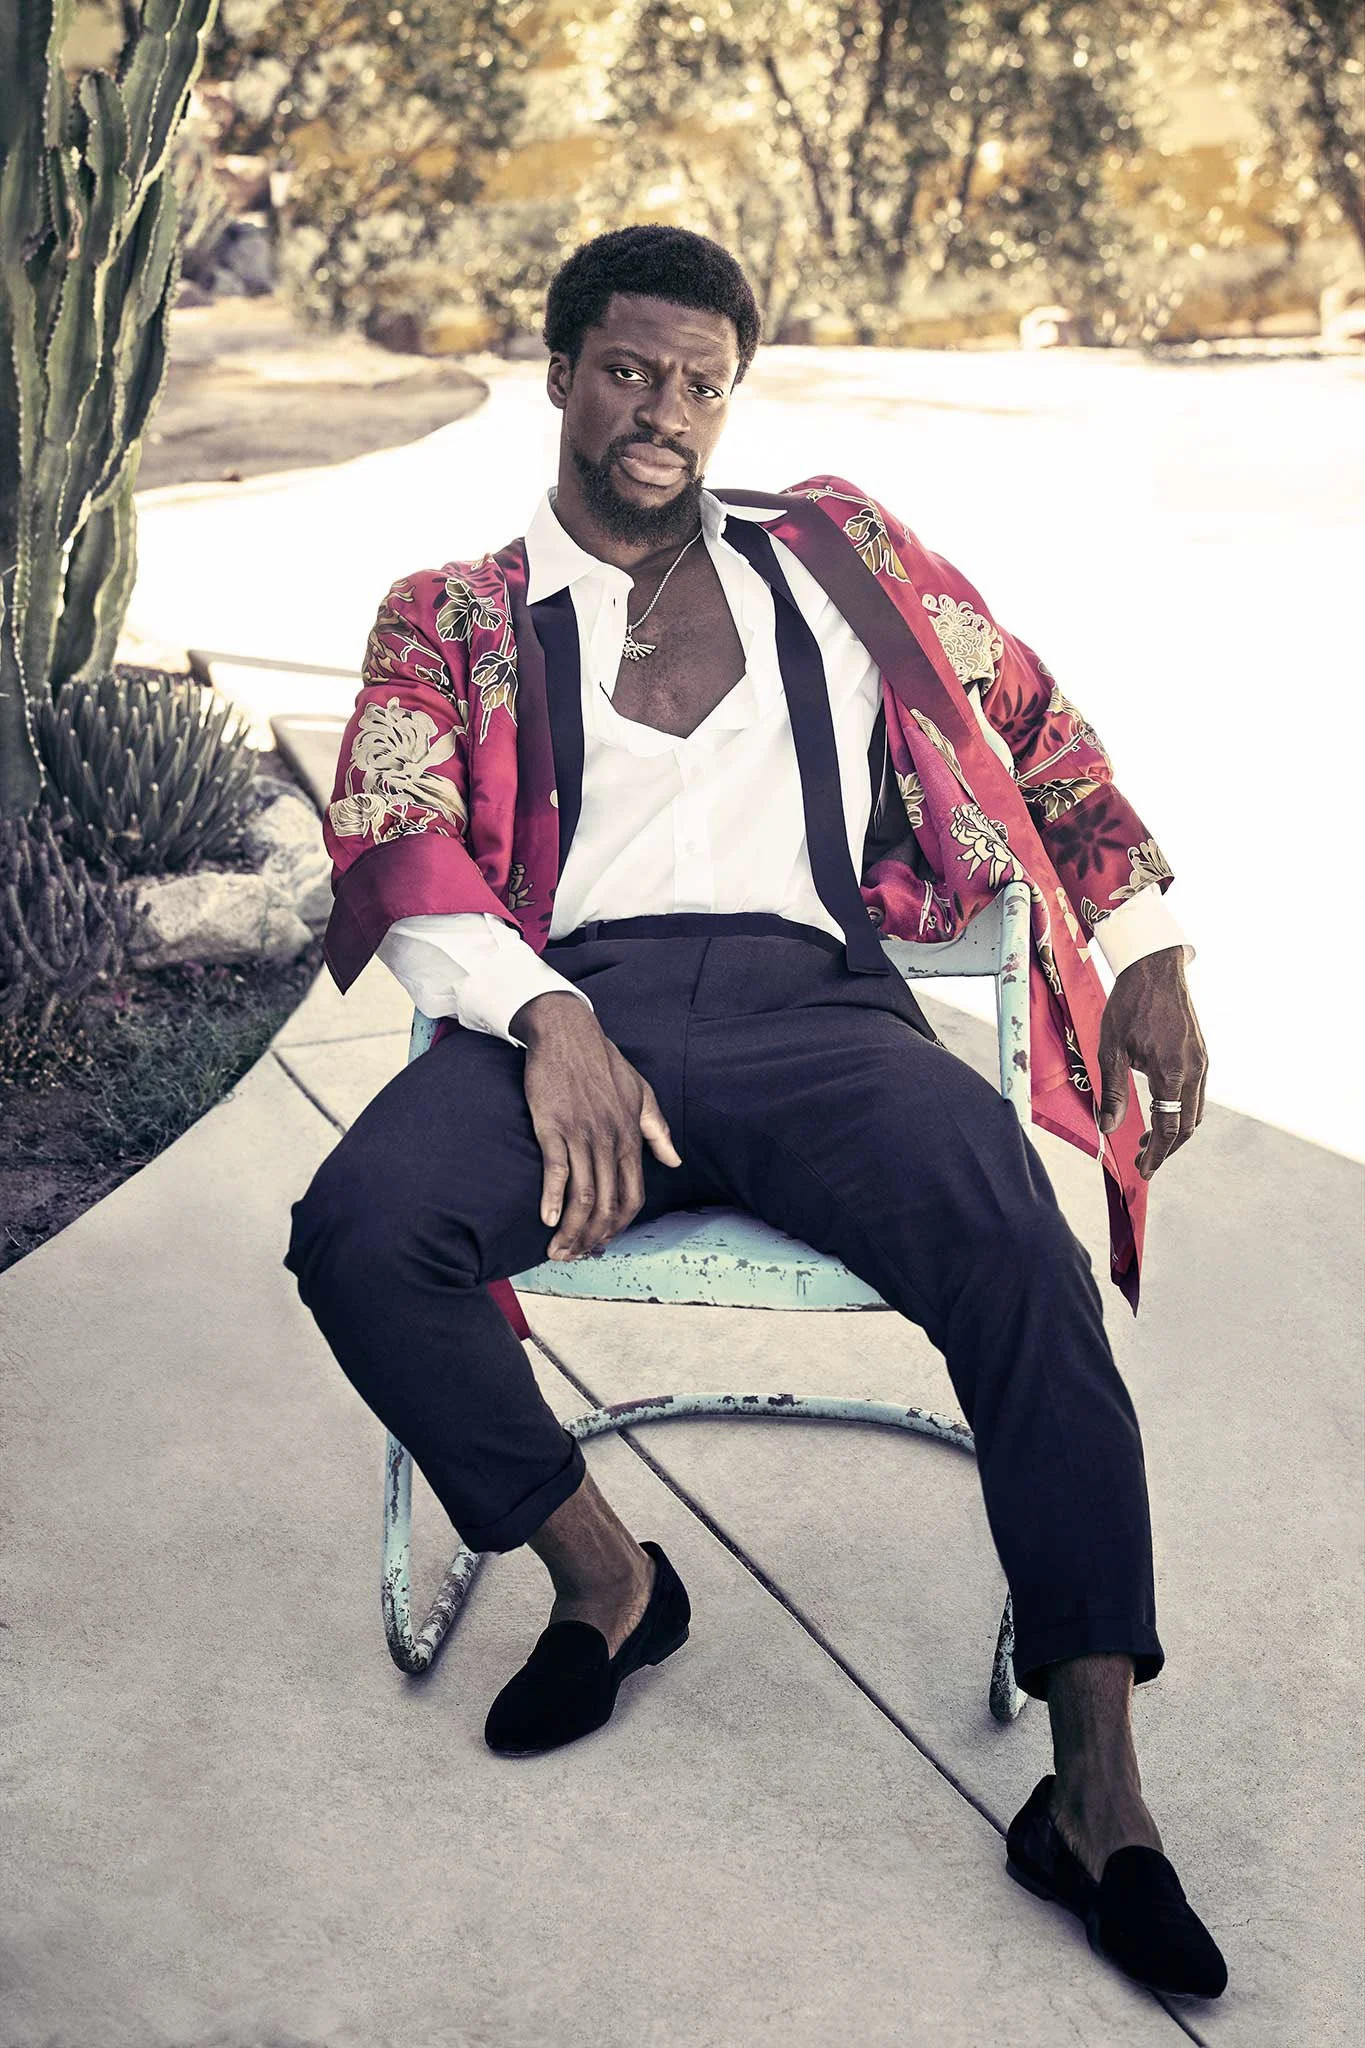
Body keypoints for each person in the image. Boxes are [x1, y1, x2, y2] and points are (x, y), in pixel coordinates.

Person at [284, 225, 1225, 1999]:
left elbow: (1037, 730)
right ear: (560, 374)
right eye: (631, 371)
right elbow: (396, 837)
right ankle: (608, 1577)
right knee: (358, 1234)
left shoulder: (835, 561)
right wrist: (548, 1012)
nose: (666, 413)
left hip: (818, 1016)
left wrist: (1150, 934)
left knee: (1021, 1258)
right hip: (570, 1010)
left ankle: (1097, 1798)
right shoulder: (452, 611)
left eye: (702, 383)